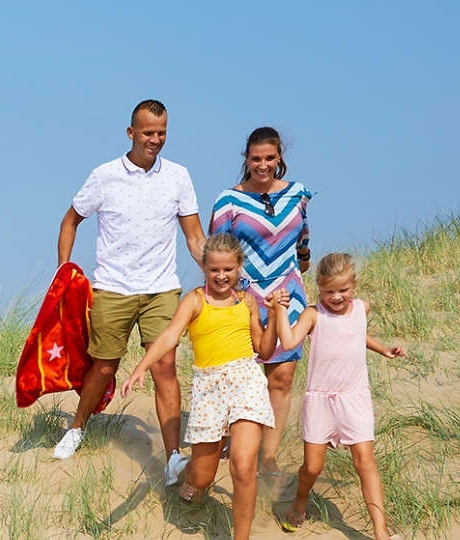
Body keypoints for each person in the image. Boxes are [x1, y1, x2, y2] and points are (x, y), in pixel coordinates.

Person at [53, 99, 208, 485]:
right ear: (131, 133)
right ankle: (77, 427)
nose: (155, 140)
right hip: (113, 287)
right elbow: (71, 220)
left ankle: (173, 456)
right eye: (148, 133)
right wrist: (65, 271)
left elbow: (193, 236)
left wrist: (219, 274)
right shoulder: (104, 176)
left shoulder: (178, 176)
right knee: (104, 366)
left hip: (161, 289)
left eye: (162, 133)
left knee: (165, 367)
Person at [121, 234, 276, 540]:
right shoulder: (194, 301)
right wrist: (141, 367)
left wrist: (277, 315)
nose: (221, 276)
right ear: (205, 268)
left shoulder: (247, 301)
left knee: (243, 466)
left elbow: (265, 350)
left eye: (228, 270)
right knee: (203, 474)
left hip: (246, 382)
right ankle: (184, 476)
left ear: (239, 267)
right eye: (215, 270)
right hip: (210, 388)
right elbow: (168, 338)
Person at [272, 254, 406, 539]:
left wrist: (383, 349)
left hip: (355, 398)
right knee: (312, 467)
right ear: (319, 288)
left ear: (354, 286)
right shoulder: (313, 314)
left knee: (365, 461)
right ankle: (299, 503)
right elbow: (288, 341)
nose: (336, 297)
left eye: (342, 290)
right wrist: (280, 312)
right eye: (329, 291)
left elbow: (356, 334)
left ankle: (380, 531)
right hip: (320, 401)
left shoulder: (361, 309)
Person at [210, 126, 316, 473]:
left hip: (288, 294)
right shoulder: (228, 201)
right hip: (245, 296)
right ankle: (232, 437)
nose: (263, 165)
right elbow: (218, 252)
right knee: (243, 376)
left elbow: (303, 238)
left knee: (282, 377)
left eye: (270, 158)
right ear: (247, 159)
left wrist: (302, 265)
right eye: (256, 159)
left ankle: (268, 456)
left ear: (279, 157)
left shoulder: (298, 194)